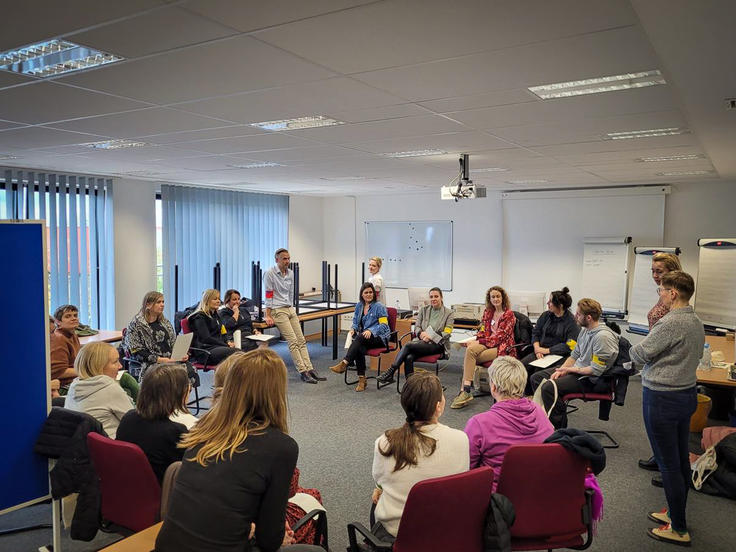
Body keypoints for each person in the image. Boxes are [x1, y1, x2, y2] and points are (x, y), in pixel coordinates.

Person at [154, 349, 323, 552]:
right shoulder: (281, 447)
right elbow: (269, 541)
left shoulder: (204, 428)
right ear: (276, 393)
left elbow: (218, 500)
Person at [211, 352, 325, 547]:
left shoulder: (205, 429)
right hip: (247, 526)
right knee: (313, 497)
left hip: (217, 524)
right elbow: (287, 492)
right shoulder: (275, 444)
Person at [629, 271, 704, 547]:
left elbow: (640, 353)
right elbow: (695, 355)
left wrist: (631, 351)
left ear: (673, 293)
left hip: (662, 398)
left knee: (668, 465)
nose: (659, 294)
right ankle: (675, 513)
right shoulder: (695, 320)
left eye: (661, 290)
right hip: (685, 395)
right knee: (680, 461)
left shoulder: (670, 322)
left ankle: (679, 529)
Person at [372, 372, 469, 540]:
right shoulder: (461, 439)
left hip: (399, 534)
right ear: (438, 406)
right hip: (447, 530)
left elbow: (380, 479)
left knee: (378, 496)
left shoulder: (385, 443)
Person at [464, 356, 554, 491]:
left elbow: (465, 468)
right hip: (537, 492)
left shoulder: (479, 424)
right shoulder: (540, 413)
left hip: (496, 498)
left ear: (493, 387)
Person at [530, 298, 619, 429]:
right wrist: (562, 369)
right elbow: (574, 355)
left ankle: (558, 430)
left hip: (592, 379)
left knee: (549, 387)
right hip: (578, 371)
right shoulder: (584, 330)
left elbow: (595, 370)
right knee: (537, 378)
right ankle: (545, 417)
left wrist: (570, 370)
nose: (575, 316)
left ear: (588, 317)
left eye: (578, 314)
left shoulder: (603, 337)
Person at [639, 252, 682, 472]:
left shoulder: (675, 297)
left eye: (660, 271)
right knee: (657, 422)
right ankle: (661, 459)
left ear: (672, 271)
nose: (655, 275)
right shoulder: (664, 293)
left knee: (662, 422)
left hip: (664, 365)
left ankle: (668, 468)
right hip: (655, 360)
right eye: (653, 271)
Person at [116, 364, 189, 482]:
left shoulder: (128, 418)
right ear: (178, 394)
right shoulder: (175, 432)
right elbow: (190, 470)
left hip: (127, 484)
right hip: (163, 489)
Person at [451, 286, 516, 410]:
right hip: (488, 343)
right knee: (470, 350)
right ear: (489, 299)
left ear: (503, 298)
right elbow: (484, 331)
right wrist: (472, 340)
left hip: (502, 347)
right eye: (493, 297)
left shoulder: (509, 315)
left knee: (470, 357)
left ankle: (464, 391)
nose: (495, 299)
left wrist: (479, 342)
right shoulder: (488, 312)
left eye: (498, 296)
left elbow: (499, 337)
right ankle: (466, 389)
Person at [264, 248, 324, 384]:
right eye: (284, 259)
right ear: (277, 260)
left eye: (288, 258)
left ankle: (310, 368)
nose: (287, 261)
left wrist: (292, 308)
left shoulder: (290, 273)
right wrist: (268, 314)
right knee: (293, 341)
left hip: (289, 308)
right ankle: (303, 371)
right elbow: (268, 294)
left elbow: (291, 293)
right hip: (278, 310)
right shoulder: (270, 273)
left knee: (301, 339)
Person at [378, 287, 454, 384]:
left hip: (438, 344)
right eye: (431, 297)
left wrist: (431, 336)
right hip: (422, 342)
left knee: (408, 345)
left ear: (441, 297)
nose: (433, 299)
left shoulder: (449, 313)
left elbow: (447, 332)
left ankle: (391, 372)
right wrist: (421, 334)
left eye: (436, 296)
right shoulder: (424, 310)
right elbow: (417, 327)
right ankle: (410, 384)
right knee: (408, 357)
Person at [64, 342, 134, 439]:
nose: (120, 366)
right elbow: (135, 423)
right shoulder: (110, 389)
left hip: (85, 445)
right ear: (99, 366)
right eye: (115, 362)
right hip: (114, 444)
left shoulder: (74, 386)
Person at [329, 282, 390, 392]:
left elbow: (384, 325)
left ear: (374, 294)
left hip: (380, 337)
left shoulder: (379, 307)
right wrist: (353, 328)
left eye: (370, 292)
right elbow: (355, 321)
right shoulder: (359, 306)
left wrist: (371, 331)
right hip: (364, 338)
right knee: (359, 347)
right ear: (362, 294)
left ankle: (345, 363)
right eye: (366, 292)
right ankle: (362, 379)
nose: (369, 294)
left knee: (359, 338)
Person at [519, 287, 580, 390]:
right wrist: (537, 348)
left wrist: (546, 350)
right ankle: (523, 394)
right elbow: (536, 332)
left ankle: (535, 397)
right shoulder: (546, 315)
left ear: (560, 305)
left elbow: (569, 346)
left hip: (559, 356)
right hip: (540, 351)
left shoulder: (572, 322)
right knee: (520, 366)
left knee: (537, 373)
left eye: (551, 301)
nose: (548, 303)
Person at [124, 291, 189, 381]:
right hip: (150, 362)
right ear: (148, 305)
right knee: (171, 375)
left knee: (189, 369)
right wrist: (160, 359)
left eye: (163, 302)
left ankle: (183, 391)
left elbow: (173, 343)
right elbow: (136, 351)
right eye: (158, 302)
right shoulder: (136, 324)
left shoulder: (165, 322)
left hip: (170, 359)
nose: (162, 305)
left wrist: (181, 354)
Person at [187, 289, 239, 366]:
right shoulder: (199, 317)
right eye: (215, 299)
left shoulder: (215, 315)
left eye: (218, 299)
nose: (218, 301)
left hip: (217, 347)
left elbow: (223, 331)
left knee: (239, 353)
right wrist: (225, 345)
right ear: (207, 301)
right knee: (237, 353)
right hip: (205, 351)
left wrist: (227, 342)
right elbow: (206, 338)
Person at [49, 304, 81, 387]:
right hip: (65, 385)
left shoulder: (73, 335)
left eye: (75, 315)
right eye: (68, 316)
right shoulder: (58, 338)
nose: (74, 318)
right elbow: (59, 372)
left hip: (75, 381)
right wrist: (87, 371)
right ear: (58, 322)